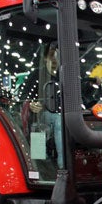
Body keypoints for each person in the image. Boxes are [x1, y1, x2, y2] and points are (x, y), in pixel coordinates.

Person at [29, 42, 64, 170]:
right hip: (43, 116)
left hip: (67, 115)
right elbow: (24, 99)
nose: (54, 59)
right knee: (58, 121)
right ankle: (61, 166)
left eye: (57, 56)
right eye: (51, 56)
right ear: (45, 58)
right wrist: (31, 104)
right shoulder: (36, 76)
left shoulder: (65, 77)